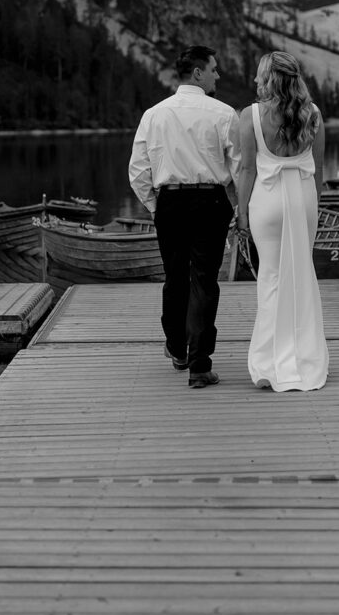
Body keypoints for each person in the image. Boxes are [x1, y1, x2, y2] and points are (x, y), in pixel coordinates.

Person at [129, 45, 240, 389]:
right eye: (214, 69)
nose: (218, 75)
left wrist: (154, 206)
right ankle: (199, 365)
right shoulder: (224, 113)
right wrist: (237, 208)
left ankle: (177, 349)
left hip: (170, 204)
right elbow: (239, 167)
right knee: (204, 280)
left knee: (174, 276)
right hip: (210, 203)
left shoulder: (154, 114)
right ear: (198, 73)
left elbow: (138, 170)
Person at [237, 50, 328, 391]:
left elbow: (247, 169)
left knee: (271, 279)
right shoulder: (313, 114)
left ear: (265, 77)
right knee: (302, 275)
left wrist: (241, 212)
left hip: (268, 202)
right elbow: (316, 170)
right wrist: (313, 206)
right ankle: (306, 358)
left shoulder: (251, 115)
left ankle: (269, 363)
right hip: (303, 199)